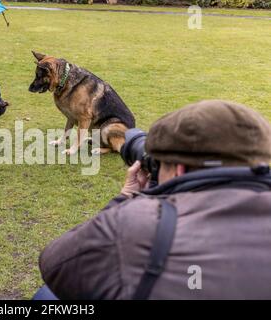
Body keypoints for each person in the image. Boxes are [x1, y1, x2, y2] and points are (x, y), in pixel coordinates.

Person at [38, 100, 271, 299]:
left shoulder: (140, 222)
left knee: (47, 296)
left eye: (160, 163)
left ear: (178, 169)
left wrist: (126, 198)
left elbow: (54, 264)